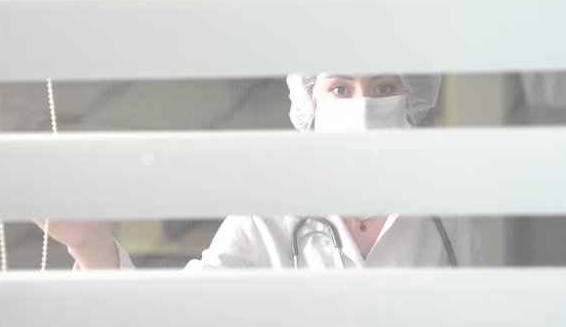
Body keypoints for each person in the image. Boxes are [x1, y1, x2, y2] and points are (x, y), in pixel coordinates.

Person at [39, 73, 485, 270]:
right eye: (340, 88)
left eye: (384, 87)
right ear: (311, 104)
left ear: (412, 100)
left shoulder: (447, 221)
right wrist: (92, 246)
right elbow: (181, 323)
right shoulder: (265, 216)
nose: (363, 104)